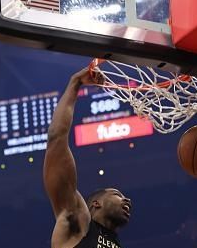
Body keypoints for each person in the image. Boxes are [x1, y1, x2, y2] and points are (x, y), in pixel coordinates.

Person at [43, 68, 132, 248]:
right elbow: (56, 138)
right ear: (96, 204)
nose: (127, 200)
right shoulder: (77, 224)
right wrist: (76, 82)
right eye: (117, 195)